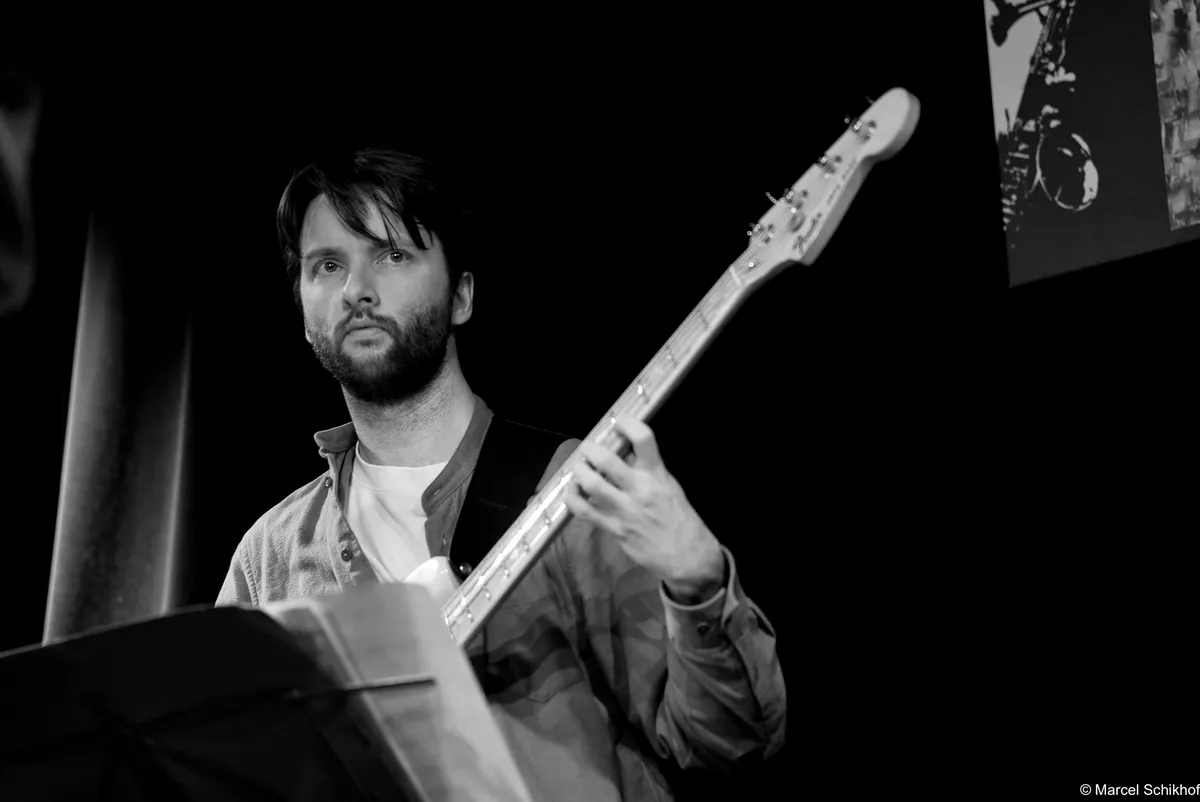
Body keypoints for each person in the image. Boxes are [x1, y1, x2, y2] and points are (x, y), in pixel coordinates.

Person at [216, 146, 786, 801]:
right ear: (302, 306)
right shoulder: (269, 554)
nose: (356, 290)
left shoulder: (578, 488)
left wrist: (699, 580)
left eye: (393, 255)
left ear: (461, 295)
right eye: (327, 265)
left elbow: (727, 742)